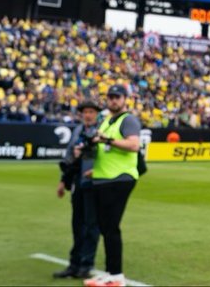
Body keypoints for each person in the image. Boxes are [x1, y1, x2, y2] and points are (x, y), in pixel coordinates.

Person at [83, 83, 142, 287]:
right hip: (104, 177)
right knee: (106, 226)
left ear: (125, 99)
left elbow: (134, 145)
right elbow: (103, 147)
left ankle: (116, 275)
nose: (114, 100)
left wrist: (106, 140)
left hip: (119, 178)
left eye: (117, 97)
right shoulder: (107, 120)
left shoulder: (128, 120)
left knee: (110, 226)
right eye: (111, 97)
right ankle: (111, 273)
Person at [54, 97, 102, 280]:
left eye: (91, 112)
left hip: (94, 183)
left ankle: (86, 264)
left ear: (96, 114)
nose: (88, 115)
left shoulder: (102, 131)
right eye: (85, 112)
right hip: (78, 183)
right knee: (77, 225)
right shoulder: (78, 131)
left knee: (91, 226)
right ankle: (74, 264)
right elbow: (69, 158)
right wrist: (62, 181)